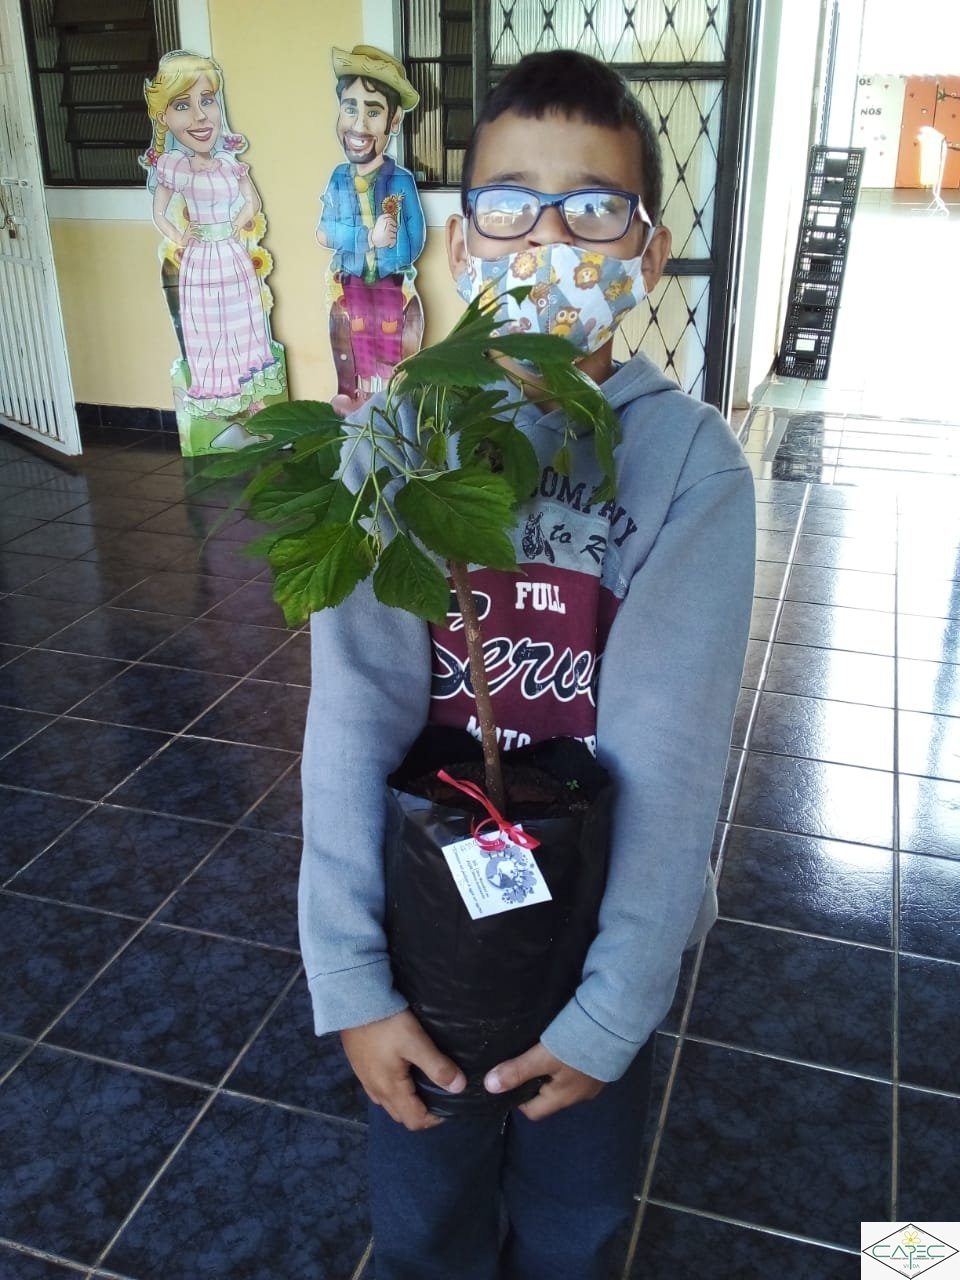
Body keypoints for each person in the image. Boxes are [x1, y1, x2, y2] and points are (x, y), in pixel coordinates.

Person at [299, 49, 756, 1279]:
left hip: (596, 924)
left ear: (649, 255)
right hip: (427, 921)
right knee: (423, 1205)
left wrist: (614, 1007)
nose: (548, 240)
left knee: (578, 1210)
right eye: (510, 207)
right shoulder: (395, 444)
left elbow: (669, 761)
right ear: (461, 244)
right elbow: (351, 719)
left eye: (594, 210)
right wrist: (350, 974)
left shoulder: (690, 467)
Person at [142, 51, 284, 440]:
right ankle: (222, 410)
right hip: (201, 259)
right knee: (209, 329)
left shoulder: (229, 164)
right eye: (182, 105)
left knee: (243, 324)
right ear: (164, 118)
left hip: (232, 255)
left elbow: (252, 202)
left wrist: (235, 226)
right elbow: (159, 212)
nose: (200, 115)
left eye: (207, 100)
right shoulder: (175, 167)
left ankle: (250, 403)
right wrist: (180, 236)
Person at [316, 45, 426, 416]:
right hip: (351, 279)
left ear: (394, 122)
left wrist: (392, 250)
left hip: (391, 282)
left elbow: (416, 238)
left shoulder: (401, 180)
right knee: (354, 331)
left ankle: (390, 398)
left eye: (373, 111)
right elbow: (324, 232)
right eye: (350, 108)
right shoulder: (338, 178)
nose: (359, 124)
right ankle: (356, 394)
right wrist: (367, 239)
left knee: (392, 333)